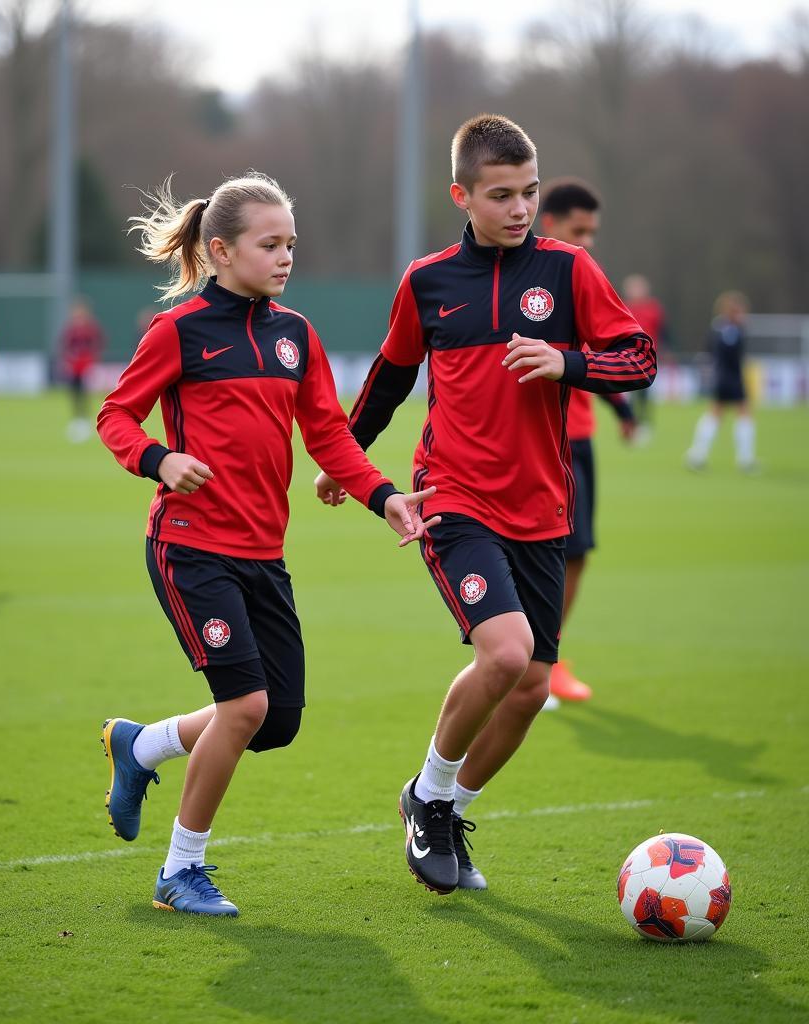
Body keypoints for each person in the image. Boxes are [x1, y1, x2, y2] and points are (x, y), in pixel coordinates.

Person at [315, 114, 655, 895]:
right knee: (503, 655)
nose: (519, 208)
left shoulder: (570, 272)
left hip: (541, 508)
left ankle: (439, 803)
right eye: (500, 195)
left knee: (531, 688)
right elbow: (392, 377)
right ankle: (432, 795)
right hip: (453, 496)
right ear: (461, 194)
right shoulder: (427, 280)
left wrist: (567, 360)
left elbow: (639, 357)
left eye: (529, 192)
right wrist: (348, 456)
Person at [96, 173, 437, 917]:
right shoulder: (179, 332)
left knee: (275, 720)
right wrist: (160, 460)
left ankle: (142, 746)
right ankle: (181, 870)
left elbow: (329, 436)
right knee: (244, 705)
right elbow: (116, 416)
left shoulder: (296, 335)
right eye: (269, 244)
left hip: (262, 554)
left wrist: (384, 498)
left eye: (291, 244)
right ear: (220, 250)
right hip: (189, 547)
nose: (285, 257)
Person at [537, 179, 636, 708]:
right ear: (550, 224)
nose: (588, 242)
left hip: (581, 436)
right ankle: (538, 664)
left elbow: (600, 354)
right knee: (557, 553)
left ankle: (547, 657)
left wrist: (621, 408)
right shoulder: (540, 281)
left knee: (576, 555)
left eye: (593, 232)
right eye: (580, 230)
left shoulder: (581, 276)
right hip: (550, 440)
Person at [686, 291, 756, 472]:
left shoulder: (716, 328)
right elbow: (733, 356)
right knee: (743, 414)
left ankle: (697, 454)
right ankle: (745, 460)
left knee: (715, 414)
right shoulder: (731, 331)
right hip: (731, 378)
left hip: (721, 377)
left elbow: (708, 351)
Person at [621, 275, 669, 443]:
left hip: (649, 358)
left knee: (646, 394)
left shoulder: (654, 308)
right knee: (631, 395)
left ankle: (645, 425)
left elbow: (662, 332)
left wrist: (664, 351)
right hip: (628, 358)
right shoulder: (623, 307)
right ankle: (631, 425)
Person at [60, 298, 105, 442]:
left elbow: (98, 343)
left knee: (86, 393)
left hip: (86, 364)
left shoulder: (90, 328)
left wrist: (93, 359)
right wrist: (66, 361)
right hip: (74, 366)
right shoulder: (71, 328)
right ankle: (77, 419)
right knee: (74, 393)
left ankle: (86, 420)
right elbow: (65, 345)